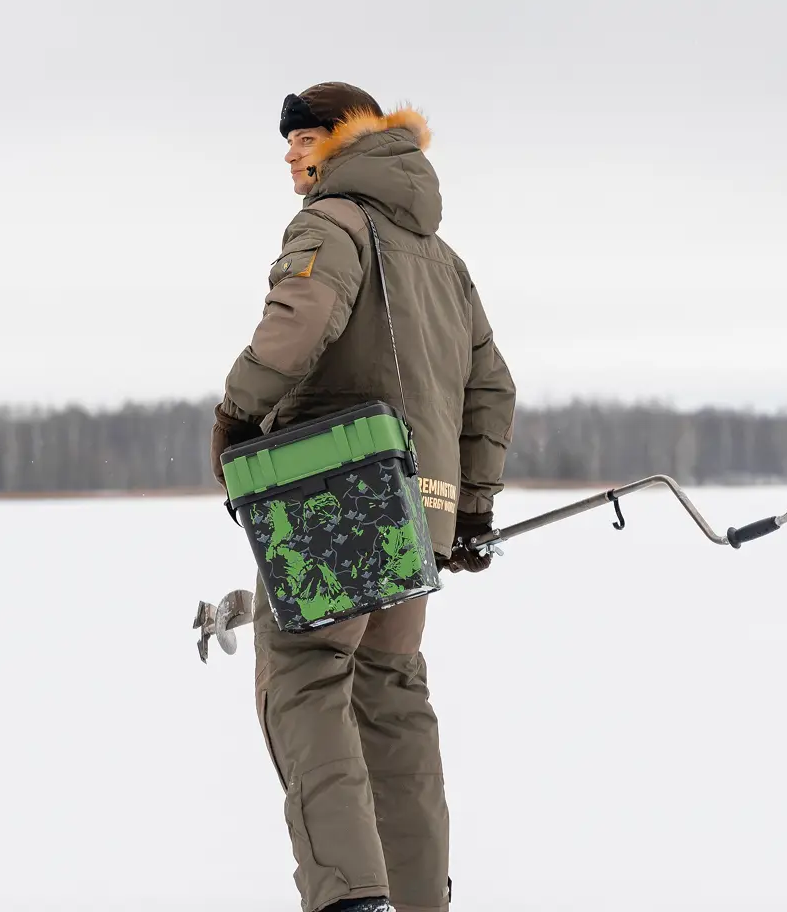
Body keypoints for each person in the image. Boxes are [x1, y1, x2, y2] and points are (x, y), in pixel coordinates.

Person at [209, 82, 516, 912]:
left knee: (305, 675)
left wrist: (236, 416)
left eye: (302, 138)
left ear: (344, 138)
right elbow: (491, 386)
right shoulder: (444, 260)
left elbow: (297, 325)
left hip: (335, 495)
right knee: (391, 693)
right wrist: (471, 510)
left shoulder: (331, 224)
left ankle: (350, 898)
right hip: (422, 507)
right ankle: (418, 899)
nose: (289, 155)